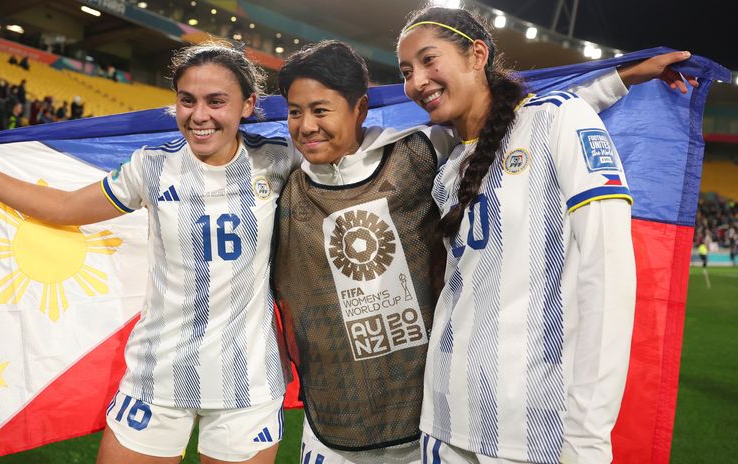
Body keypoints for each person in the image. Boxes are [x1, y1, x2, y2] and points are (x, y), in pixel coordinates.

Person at [273, 37, 695, 464]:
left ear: (360, 108)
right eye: (294, 112)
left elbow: (508, 123)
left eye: (320, 110)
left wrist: (618, 80)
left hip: (416, 416)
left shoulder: (419, 152)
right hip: (336, 418)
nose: (307, 126)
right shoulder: (281, 179)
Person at [0, 42, 296, 464]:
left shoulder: (278, 160)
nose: (199, 115)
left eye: (216, 101)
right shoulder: (151, 167)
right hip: (157, 377)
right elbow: (66, 208)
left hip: (249, 382)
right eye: (187, 101)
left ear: (247, 104)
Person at [395, 6, 651, 463]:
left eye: (429, 60)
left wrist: (588, 435)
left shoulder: (560, 118)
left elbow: (608, 279)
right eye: (407, 71)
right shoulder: (447, 165)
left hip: (533, 431)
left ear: (477, 54)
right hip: (442, 419)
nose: (417, 82)